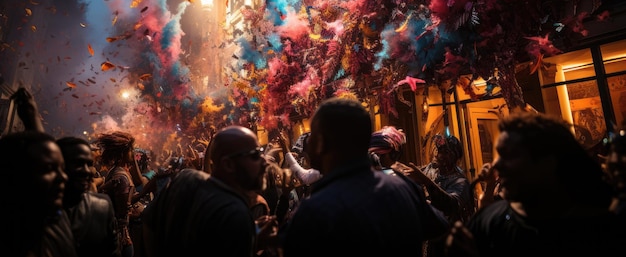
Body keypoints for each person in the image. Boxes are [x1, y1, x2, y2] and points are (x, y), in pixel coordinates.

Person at [445, 111, 620, 257]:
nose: (496, 165)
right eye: (498, 155)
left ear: (547, 162)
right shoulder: (490, 219)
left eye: (510, 155)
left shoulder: (597, 229)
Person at [279, 97, 430, 257]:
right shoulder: (405, 188)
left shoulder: (315, 209)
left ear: (322, 143)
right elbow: (437, 227)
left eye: (312, 139)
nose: (308, 147)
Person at [142, 125, 275, 257]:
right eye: (255, 155)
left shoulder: (185, 178)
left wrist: (246, 234)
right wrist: (251, 242)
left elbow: (148, 221)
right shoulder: (236, 211)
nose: (265, 162)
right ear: (228, 164)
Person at [0, 87, 78, 257]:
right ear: (14, 176)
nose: (64, 177)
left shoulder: (53, 218)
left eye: (62, 168)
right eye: (50, 169)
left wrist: (33, 118)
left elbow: (39, 155)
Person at [392, 133, 474, 257]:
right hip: (432, 242)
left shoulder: (461, 182)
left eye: (445, 152)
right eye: (438, 150)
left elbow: (450, 205)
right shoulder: (431, 171)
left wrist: (424, 180)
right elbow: (411, 172)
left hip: (453, 245)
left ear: (454, 156)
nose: (438, 155)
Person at [57, 136, 121, 257]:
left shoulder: (101, 207)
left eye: (90, 164)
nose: (87, 171)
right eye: (78, 163)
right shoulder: (40, 209)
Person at [97, 131, 146, 257]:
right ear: (123, 153)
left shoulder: (116, 170)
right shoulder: (122, 177)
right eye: (131, 150)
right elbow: (123, 210)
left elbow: (138, 180)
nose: (133, 153)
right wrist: (144, 193)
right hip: (121, 237)